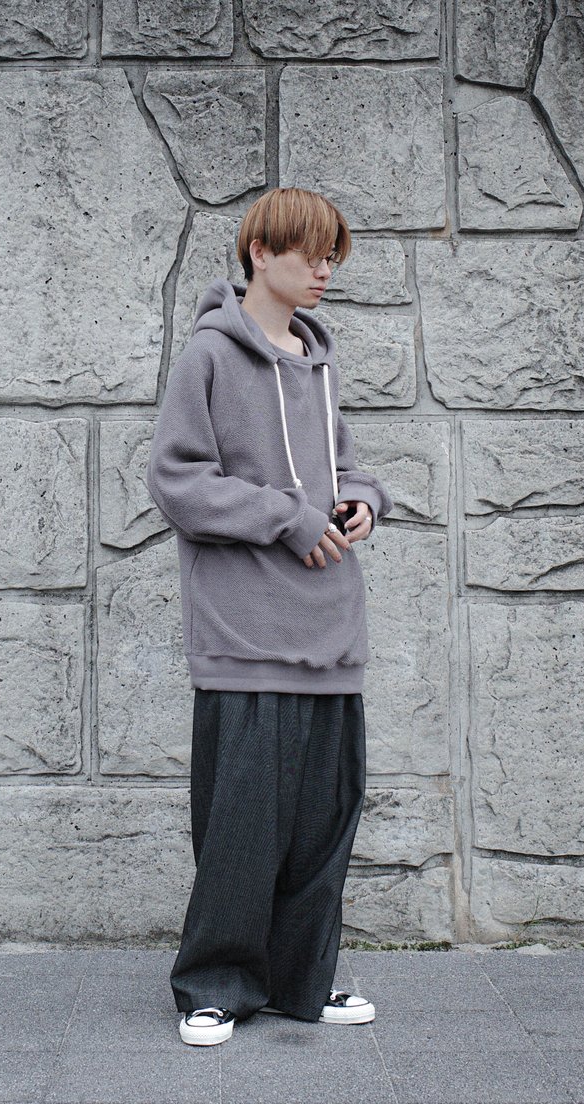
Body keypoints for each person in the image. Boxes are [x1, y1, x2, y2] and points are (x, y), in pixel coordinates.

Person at [145, 186, 394, 1047]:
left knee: (323, 828)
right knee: (241, 828)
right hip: (245, 631)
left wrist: (362, 501)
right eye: (310, 255)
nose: (324, 271)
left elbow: (344, 465)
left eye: (332, 258)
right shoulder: (209, 356)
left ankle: (300, 982)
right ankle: (214, 986)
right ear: (260, 253)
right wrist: (288, 516)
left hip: (330, 630)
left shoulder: (319, 363)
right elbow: (178, 480)